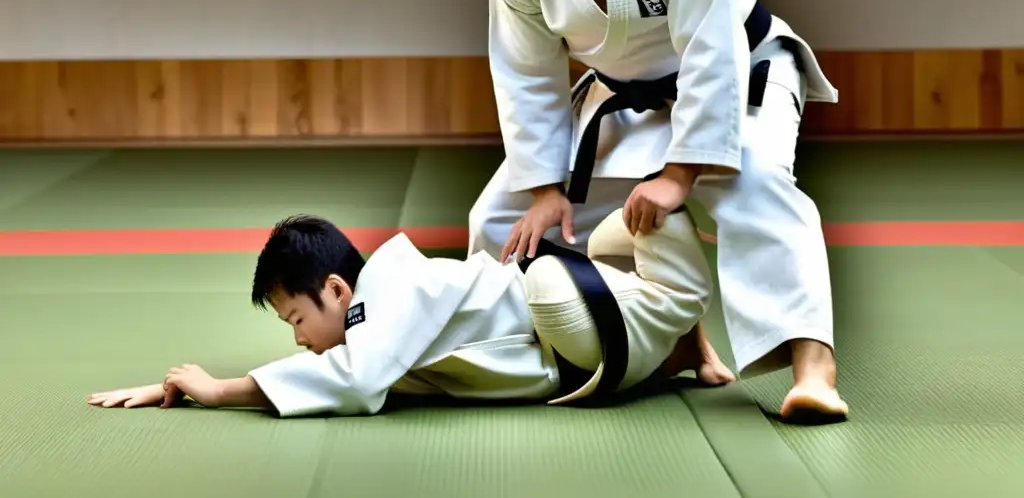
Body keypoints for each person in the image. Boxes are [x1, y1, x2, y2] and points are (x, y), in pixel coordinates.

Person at [468, 0, 848, 421]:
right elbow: (526, 74)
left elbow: (713, 46)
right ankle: (576, 346)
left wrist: (679, 173)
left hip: (741, 75)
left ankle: (815, 368)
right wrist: (543, 187)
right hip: (627, 97)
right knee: (499, 222)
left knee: (754, 183)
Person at [86, 211, 734, 416]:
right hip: (583, 359)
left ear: (339, 291)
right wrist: (177, 384)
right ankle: (682, 346)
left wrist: (219, 389)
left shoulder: (395, 292)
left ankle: (665, 238)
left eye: (295, 320)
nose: (299, 337)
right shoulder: (373, 320)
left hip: (573, 305)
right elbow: (345, 362)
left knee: (566, 301)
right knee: (593, 351)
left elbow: (354, 378)